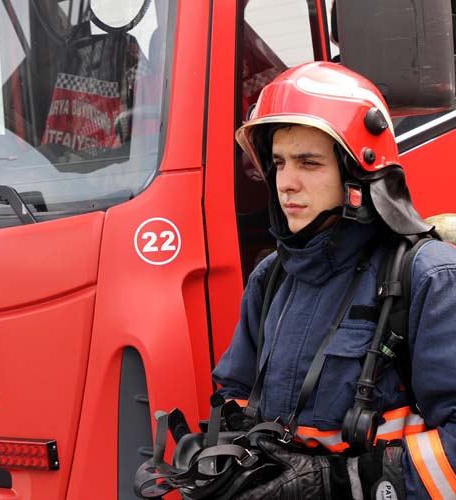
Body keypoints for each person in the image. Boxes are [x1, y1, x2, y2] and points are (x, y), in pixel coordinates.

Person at [211, 61, 456, 499]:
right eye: (279, 163)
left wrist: (339, 484)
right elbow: (237, 392)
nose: (286, 183)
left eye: (309, 163)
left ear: (357, 173)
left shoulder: (428, 278)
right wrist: (224, 457)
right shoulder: (271, 277)